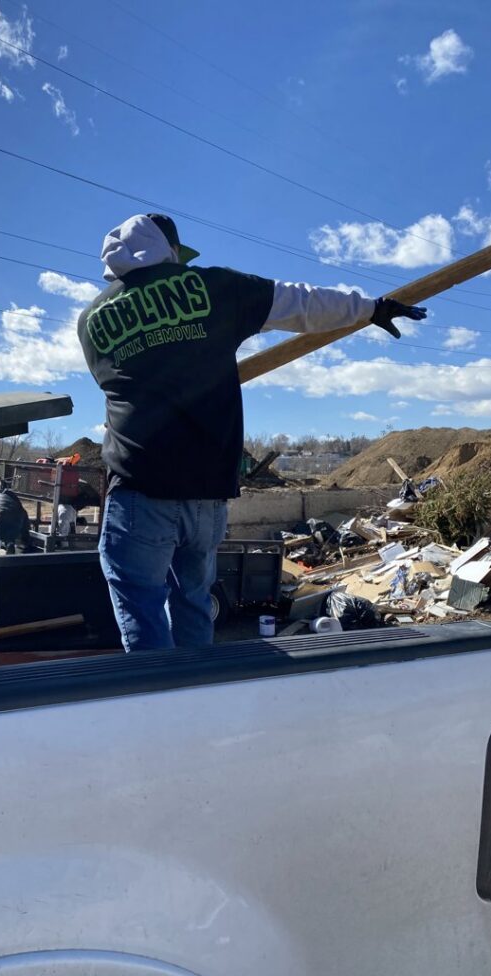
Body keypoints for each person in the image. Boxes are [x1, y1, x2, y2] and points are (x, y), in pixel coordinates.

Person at [77, 213, 426, 651]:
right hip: (206, 495)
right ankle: (200, 696)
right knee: (193, 601)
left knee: (141, 606)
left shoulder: (90, 321)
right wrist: (371, 309)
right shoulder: (211, 287)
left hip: (139, 490)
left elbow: (125, 383)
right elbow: (301, 303)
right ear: (170, 251)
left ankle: (161, 708)